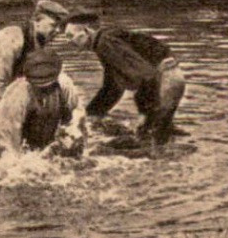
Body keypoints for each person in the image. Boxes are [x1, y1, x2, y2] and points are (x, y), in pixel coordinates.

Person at [63, 10, 186, 147]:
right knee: (161, 138)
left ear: (87, 31)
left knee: (147, 142)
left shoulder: (105, 43)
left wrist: (144, 113)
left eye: (70, 36)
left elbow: (146, 76)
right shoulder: (107, 38)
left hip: (163, 83)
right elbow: (113, 87)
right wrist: (92, 113)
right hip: (173, 79)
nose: (69, 42)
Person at [0, 49, 88, 158]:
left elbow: (78, 113)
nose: (45, 92)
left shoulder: (64, 84)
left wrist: (73, 129)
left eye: (48, 87)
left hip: (45, 140)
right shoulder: (18, 95)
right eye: (39, 87)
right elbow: (6, 143)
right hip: (13, 137)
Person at [0, 0, 69, 99]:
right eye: (53, 25)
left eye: (61, 27)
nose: (58, 31)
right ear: (37, 21)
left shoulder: (38, 41)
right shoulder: (12, 37)